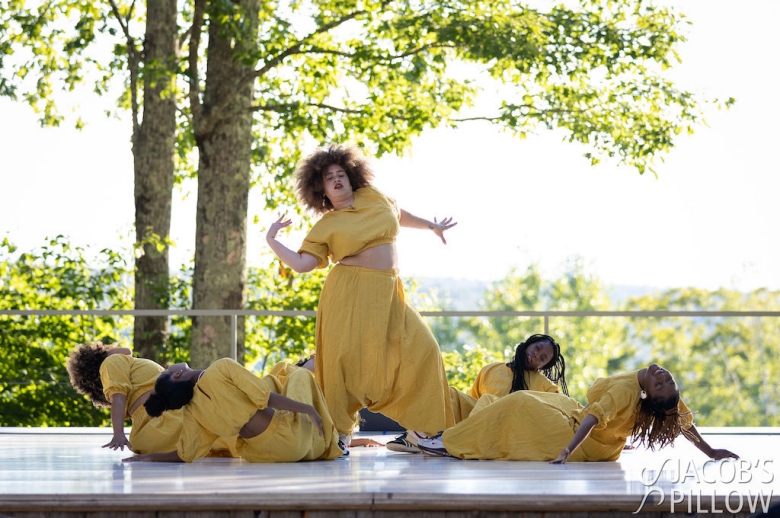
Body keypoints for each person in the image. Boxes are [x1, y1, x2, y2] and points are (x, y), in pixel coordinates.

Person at [265, 144, 457, 445]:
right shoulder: (328, 224)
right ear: (322, 190)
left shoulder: (373, 196)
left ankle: (421, 431)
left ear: (351, 175)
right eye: (329, 178)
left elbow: (398, 214)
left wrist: (431, 226)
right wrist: (272, 241)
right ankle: (338, 433)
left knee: (424, 348)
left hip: (388, 291)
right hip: (349, 292)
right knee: (343, 361)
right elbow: (304, 264)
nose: (337, 179)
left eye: (341, 173)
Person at [417, 363, 739, 463]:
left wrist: (567, 450)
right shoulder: (660, 396)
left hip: (581, 441)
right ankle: (457, 428)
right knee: (526, 396)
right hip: (596, 437)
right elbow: (681, 421)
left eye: (660, 384)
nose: (662, 377)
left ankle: (447, 442)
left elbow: (592, 418)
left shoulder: (627, 391)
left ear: (646, 395)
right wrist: (710, 451)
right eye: (665, 378)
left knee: (519, 404)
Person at [123, 358, 345, 463]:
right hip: (291, 439)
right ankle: (335, 441)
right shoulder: (221, 368)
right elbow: (265, 398)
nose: (170, 365)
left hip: (265, 455)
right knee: (299, 375)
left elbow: (185, 454)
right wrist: (307, 409)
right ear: (177, 375)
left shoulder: (192, 412)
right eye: (167, 370)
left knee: (271, 380)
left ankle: (331, 441)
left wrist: (150, 458)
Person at [387, 333, 569, 453]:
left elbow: (549, 418)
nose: (536, 356)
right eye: (537, 349)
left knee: (489, 399)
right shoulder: (491, 369)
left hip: (508, 432)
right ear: (529, 344)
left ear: (543, 366)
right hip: (478, 422)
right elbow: (473, 405)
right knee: (450, 393)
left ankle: (450, 441)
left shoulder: (548, 386)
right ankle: (420, 435)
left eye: (542, 359)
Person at [65, 342, 236, 456]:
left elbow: (127, 351)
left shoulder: (119, 368)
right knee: (215, 426)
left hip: (148, 432)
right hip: (165, 414)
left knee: (202, 438)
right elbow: (118, 398)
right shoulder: (111, 363)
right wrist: (118, 434)